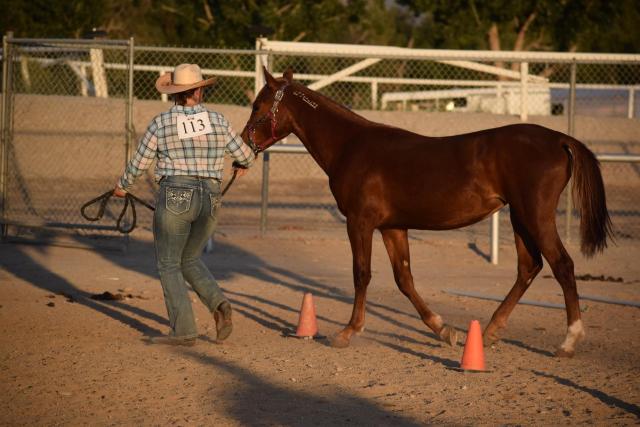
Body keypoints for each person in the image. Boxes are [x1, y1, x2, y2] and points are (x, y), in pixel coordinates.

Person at [114, 63, 255, 346]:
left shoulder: (161, 123)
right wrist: (241, 163)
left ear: (174, 93)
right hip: (211, 198)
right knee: (189, 258)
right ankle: (218, 304)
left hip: (176, 193)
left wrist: (123, 186)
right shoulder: (218, 120)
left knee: (168, 263)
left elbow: (140, 162)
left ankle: (184, 331)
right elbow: (247, 156)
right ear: (200, 90)